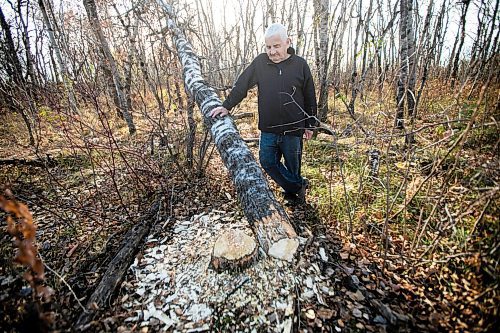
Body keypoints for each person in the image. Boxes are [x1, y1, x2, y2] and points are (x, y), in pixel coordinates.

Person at [210, 23, 317, 204]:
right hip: (269, 129)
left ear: (287, 42)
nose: (272, 51)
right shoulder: (261, 63)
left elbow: (310, 96)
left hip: (294, 129)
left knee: (293, 168)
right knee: (267, 162)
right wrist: (226, 106)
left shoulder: (300, 65)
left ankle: (294, 196)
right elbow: (242, 84)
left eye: (276, 46)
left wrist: (310, 124)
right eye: (268, 47)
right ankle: (299, 185)